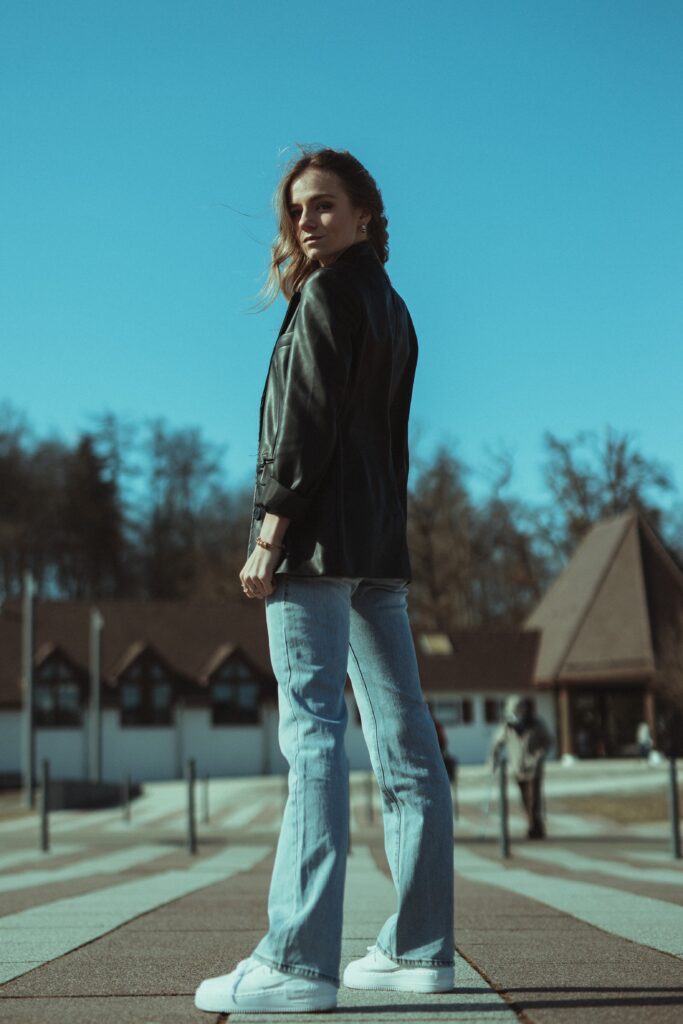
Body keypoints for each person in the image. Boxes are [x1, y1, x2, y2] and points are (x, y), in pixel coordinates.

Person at [194, 147, 454, 1014]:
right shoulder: (395, 308)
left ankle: (298, 962)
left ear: (365, 216)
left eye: (325, 206)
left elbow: (304, 428)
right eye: (297, 210)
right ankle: (420, 948)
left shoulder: (326, 297)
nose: (307, 222)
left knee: (313, 738)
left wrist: (269, 533)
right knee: (407, 747)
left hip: (313, 552)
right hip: (378, 555)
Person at [491, 695, 553, 839]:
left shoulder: (536, 723)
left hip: (533, 767)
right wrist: (494, 759)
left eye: (519, 709)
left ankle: (534, 827)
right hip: (517, 767)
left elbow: (548, 741)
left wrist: (540, 755)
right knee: (525, 799)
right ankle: (535, 824)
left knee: (533, 799)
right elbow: (497, 743)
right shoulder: (508, 726)